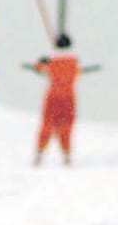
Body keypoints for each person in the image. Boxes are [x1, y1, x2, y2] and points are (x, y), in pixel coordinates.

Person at [33, 33, 82, 166]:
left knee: (47, 125)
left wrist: (41, 62)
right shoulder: (74, 62)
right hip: (68, 98)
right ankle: (66, 155)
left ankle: (39, 154)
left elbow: (38, 67)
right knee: (66, 127)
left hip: (53, 97)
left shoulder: (51, 61)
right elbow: (78, 72)